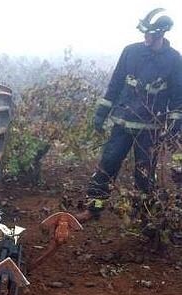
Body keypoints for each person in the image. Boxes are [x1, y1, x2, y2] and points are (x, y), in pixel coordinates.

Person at [77, 8, 182, 223]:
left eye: (150, 34)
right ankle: (94, 208)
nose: (146, 37)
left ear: (161, 34)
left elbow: (177, 96)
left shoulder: (174, 60)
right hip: (122, 124)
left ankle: (145, 216)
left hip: (150, 130)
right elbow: (115, 84)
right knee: (107, 164)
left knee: (144, 175)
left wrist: (174, 129)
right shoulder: (130, 52)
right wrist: (101, 114)